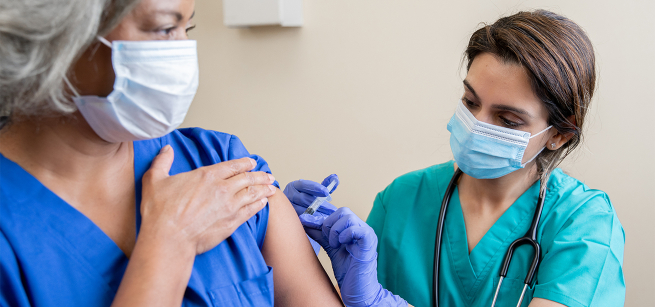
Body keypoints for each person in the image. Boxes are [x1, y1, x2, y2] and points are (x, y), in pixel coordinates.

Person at [0, 0, 344, 306]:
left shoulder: (218, 160)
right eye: (164, 29)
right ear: (58, 32)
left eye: (187, 28)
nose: (183, 52)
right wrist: (169, 244)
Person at [285, 10, 625, 307]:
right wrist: (293, 255)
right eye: (470, 101)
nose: (477, 126)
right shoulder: (402, 200)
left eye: (507, 121)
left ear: (558, 134)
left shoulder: (584, 226)